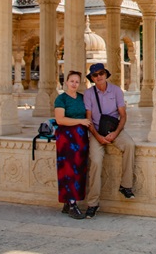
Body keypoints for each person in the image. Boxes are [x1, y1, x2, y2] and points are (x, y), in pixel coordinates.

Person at [83, 62, 136, 218]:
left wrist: (115, 133)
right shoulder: (89, 93)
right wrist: (98, 136)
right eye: (95, 75)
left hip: (115, 129)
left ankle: (125, 186)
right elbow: (88, 119)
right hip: (96, 132)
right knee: (96, 161)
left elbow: (123, 115)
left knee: (129, 145)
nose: (99, 77)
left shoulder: (116, 91)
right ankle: (93, 203)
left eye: (101, 73)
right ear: (92, 78)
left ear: (105, 74)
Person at [54, 70, 91, 220]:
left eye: (77, 81)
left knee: (79, 170)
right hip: (66, 139)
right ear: (66, 82)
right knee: (68, 170)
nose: (74, 84)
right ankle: (71, 203)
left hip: (80, 138)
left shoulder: (82, 98)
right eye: (71, 81)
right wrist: (80, 121)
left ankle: (68, 203)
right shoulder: (61, 99)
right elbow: (60, 120)